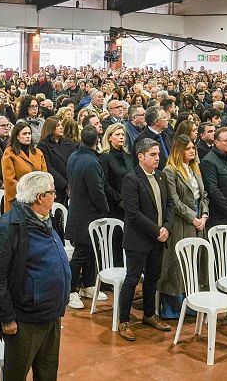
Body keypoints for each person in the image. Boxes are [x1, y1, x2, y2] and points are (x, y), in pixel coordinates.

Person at [0, 171, 70, 381]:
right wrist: (6, 318)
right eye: (52, 192)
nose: (55, 196)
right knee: (16, 374)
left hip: (51, 314)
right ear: (40, 197)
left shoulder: (46, 219)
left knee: (48, 372)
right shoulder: (7, 227)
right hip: (25, 320)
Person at [117, 138, 174, 341]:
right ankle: (123, 320)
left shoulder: (160, 176)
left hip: (158, 238)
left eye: (158, 154)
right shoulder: (131, 179)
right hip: (138, 240)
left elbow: (169, 204)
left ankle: (149, 315)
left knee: (152, 278)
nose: (157, 158)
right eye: (152, 154)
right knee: (132, 280)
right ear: (140, 157)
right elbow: (133, 213)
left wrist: (166, 227)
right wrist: (157, 230)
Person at [159, 134, 208, 319]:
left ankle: (192, 301)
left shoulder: (195, 168)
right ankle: (173, 308)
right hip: (181, 223)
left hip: (198, 221)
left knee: (194, 262)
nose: (192, 151)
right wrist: (193, 217)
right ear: (179, 151)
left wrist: (204, 214)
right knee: (177, 264)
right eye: (188, 149)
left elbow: (203, 195)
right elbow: (174, 200)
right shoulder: (170, 171)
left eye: (193, 148)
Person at [64, 126, 109, 310]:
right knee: (81, 254)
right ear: (97, 140)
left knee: (91, 251)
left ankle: (88, 285)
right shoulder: (91, 162)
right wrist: (105, 208)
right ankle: (71, 289)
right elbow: (97, 190)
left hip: (78, 210)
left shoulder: (74, 156)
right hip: (87, 215)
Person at [1, 121, 47, 212]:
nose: (28, 136)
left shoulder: (38, 152)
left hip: (37, 198)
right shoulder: (9, 153)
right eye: (24, 134)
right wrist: (28, 192)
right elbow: (9, 180)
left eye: (29, 133)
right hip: (18, 199)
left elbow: (44, 175)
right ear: (17, 136)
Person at [37, 116, 77, 207]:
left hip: (73, 182)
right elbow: (49, 168)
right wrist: (65, 185)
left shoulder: (68, 142)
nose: (61, 127)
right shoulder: (43, 145)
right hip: (57, 187)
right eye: (58, 125)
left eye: (61, 125)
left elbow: (75, 161)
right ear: (50, 127)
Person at [133, 106, 169, 170]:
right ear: (157, 122)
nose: (167, 119)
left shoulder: (165, 135)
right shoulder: (141, 140)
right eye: (164, 117)